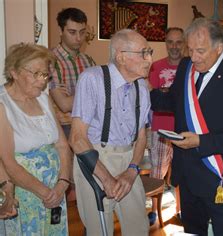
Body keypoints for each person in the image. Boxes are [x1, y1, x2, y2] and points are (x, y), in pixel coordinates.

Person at [151, 18, 223, 235]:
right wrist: (145, 89)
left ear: (220, 48)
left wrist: (201, 141)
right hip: (187, 173)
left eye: (200, 51)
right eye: (190, 50)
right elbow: (173, 101)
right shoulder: (185, 65)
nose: (194, 57)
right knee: (192, 229)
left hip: (218, 174)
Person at [69, 29, 151, 235]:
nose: (149, 59)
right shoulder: (92, 79)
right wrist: (106, 179)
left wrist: (132, 171)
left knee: (139, 228)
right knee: (100, 230)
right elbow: (77, 139)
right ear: (121, 56)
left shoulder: (142, 88)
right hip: (95, 159)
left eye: (149, 52)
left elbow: (141, 137)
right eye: (144, 53)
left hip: (129, 158)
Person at [0, 43, 72, 235]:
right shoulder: (2, 104)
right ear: (14, 72)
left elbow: (62, 145)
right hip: (26, 194)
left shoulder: (44, 99)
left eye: (45, 74)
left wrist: (63, 182)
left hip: (54, 191)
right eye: (36, 74)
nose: (43, 81)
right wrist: (45, 193)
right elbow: (8, 162)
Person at [147, 27, 185, 225]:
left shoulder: (190, 68)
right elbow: (152, 97)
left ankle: (180, 210)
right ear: (165, 44)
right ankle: (153, 210)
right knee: (157, 172)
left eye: (178, 42)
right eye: (170, 42)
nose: (174, 46)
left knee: (182, 171)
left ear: (184, 43)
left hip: (184, 129)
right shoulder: (155, 67)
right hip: (160, 128)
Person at [49, 7, 95, 138]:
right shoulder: (49, 60)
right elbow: (64, 105)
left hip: (88, 124)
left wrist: (72, 97)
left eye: (82, 32)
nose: (79, 38)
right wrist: (91, 95)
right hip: (62, 128)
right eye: (72, 32)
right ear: (60, 31)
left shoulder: (89, 61)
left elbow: (101, 95)